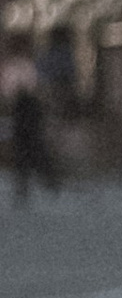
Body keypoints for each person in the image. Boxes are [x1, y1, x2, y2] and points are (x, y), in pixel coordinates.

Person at [5, 50, 60, 203]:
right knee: (32, 159)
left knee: (34, 158)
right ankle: (39, 185)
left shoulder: (26, 69)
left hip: (28, 129)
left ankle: (46, 184)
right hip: (27, 129)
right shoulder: (22, 69)